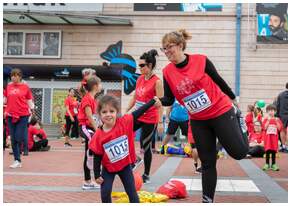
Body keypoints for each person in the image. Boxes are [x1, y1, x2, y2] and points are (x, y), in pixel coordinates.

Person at [157, 29, 249, 203]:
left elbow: (219, 80)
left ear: (180, 45)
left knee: (239, 153)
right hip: (199, 121)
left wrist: (233, 99)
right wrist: (157, 101)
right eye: (164, 49)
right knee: (207, 163)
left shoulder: (201, 60)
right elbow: (169, 99)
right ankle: (207, 200)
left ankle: (238, 118)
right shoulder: (167, 71)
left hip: (220, 111)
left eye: (169, 47)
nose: (167, 52)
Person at [89, 95, 161, 203]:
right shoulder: (98, 135)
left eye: (111, 111)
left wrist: (152, 101)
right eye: (104, 112)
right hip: (108, 168)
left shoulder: (124, 122)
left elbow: (138, 112)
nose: (108, 114)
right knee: (105, 192)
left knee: (131, 192)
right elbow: (97, 156)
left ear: (117, 112)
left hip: (125, 166)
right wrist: (96, 174)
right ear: (99, 114)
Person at [125, 49, 164, 183]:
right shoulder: (140, 78)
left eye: (142, 65)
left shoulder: (157, 82)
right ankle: (135, 159)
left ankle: (146, 174)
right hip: (137, 115)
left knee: (145, 145)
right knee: (124, 133)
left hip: (150, 118)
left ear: (150, 66)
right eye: (139, 65)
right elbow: (135, 96)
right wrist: (127, 110)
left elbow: (160, 104)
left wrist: (160, 122)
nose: (139, 68)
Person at [4, 68, 34, 168]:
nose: (14, 77)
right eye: (12, 75)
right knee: (13, 139)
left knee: (17, 137)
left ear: (20, 77)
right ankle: (17, 160)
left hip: (23, 115)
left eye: (16, 75)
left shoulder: (25, 87)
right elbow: (4, 100)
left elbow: (29, 101)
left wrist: (33, 110)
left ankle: (22, 151)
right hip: (10, 115)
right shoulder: (8, 87)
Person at [77, 76, 102, 190]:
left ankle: (90, 179)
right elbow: (89, 117)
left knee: (91, 152)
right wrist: (97, 129)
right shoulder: (87, 99)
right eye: (100, 84)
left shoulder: (92, 98)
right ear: (95, 86)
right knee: (90, 152)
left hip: (91, 127)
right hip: (86, 127)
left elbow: (95, 117)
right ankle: (87, 181)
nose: (101, 86)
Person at [262, 104, 283, 171]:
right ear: (267, 112)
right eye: (270, 110)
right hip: (267, 139)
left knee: (274, 151)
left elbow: (279, 128)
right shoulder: (266, 119)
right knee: (267, 151)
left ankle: (273, 164)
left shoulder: (277, 119)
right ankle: (267, 164)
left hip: (274, 139)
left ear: (275, 112)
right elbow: (264, 128)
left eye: (273, 110)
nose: (271, 112)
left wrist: (276, 121)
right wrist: (268, 120)